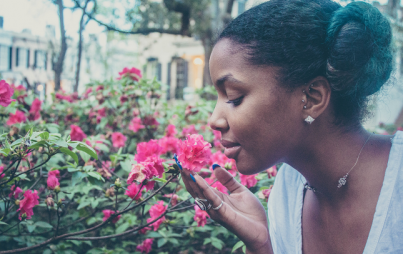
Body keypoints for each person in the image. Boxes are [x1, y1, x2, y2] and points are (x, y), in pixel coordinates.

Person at [180, 0, 402, 253]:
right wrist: (262, 244)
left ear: (313, 98)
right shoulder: (288, 192)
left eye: (234, 97)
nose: (214, 120)